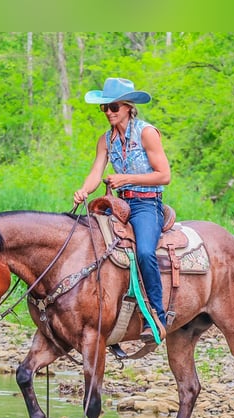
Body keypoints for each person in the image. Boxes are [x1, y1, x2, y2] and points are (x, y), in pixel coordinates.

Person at [73, 77, 170, 343]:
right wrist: (84, 190)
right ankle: (103, 314)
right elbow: (96, 172)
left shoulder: (147, 133)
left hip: (147, 204)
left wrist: (126, 178)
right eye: (104, 108)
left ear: (128, 106)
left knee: (145, 252)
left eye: (113, 107)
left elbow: (164, 175)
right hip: (120, 204)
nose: (108, 112)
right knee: (89, 244)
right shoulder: (105, 140)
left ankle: (157, 317)